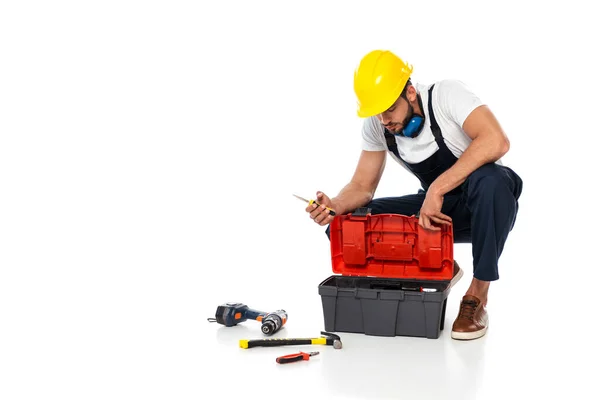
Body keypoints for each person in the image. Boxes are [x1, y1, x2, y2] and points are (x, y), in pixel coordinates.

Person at [305, 49, 523, 340]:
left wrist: (437, 188)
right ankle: (437, 267)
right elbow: (362, 187)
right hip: (437, 216)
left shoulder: (446, 95)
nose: (384, 120)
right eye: (377, 112)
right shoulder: (377, 126)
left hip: (486, 208)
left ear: (409, 92)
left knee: (493, 180)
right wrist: (336, 205)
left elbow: (497, 140)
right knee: (347, 224)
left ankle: (477, 296)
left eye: (389, 109)